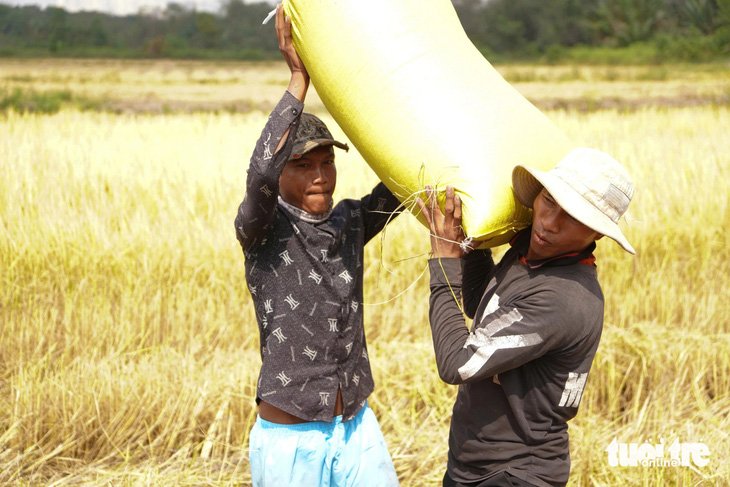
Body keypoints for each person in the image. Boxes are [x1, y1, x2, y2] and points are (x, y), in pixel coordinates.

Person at [234, 5, 400, 487]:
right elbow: (260, 172)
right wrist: (297, 82)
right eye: (304, 165)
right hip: (292, 439)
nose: (321, 175)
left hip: (355, 429)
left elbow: (403, 186)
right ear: (283, 174)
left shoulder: (350, 221)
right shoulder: (261, 229)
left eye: (327, 162)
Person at [416, 148, 635, 487]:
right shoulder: (528, 253)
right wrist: (473, 245)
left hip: (515, 473)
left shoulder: (564, 300)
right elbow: (482, 309)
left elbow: (458, 364)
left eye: (574, 217)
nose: (549, 223)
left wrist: (443, 262)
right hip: (472, 464)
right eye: (549, 201)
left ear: (598, 233)